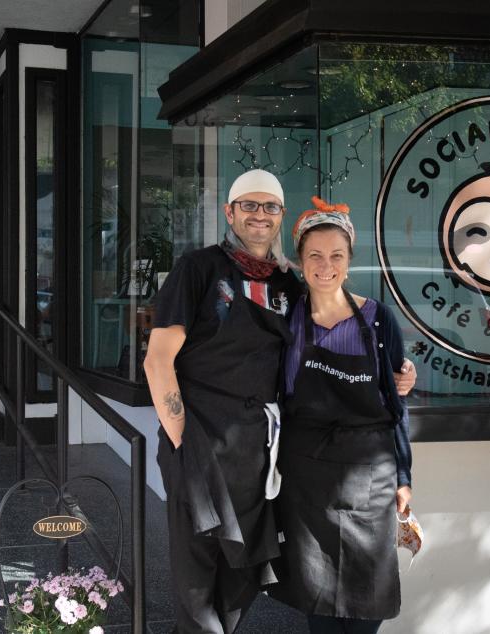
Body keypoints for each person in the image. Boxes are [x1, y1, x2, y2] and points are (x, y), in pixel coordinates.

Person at [144, 169, 302, 633]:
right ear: (230, 212)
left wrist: (395, 365)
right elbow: (158, 362)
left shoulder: (288, 285)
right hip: (198, 437)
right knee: (197, 580)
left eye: (269, 206)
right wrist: (181, 442)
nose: (259, 215)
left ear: (280, 216)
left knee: (242, 574)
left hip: (256, 450)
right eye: (248, 205)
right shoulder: (198, 269)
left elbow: (338, 315)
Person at [270, 198, 414, 634]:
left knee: (366, 603)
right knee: (318, 603)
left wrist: (405, 477)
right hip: (306, 480)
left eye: (336, 255)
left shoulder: (378, 320)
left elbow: (396, 403)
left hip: (369, 479)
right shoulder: (285, 318)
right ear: (299, 262)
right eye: (314, 255)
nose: (325, 265)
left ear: (350, 261)